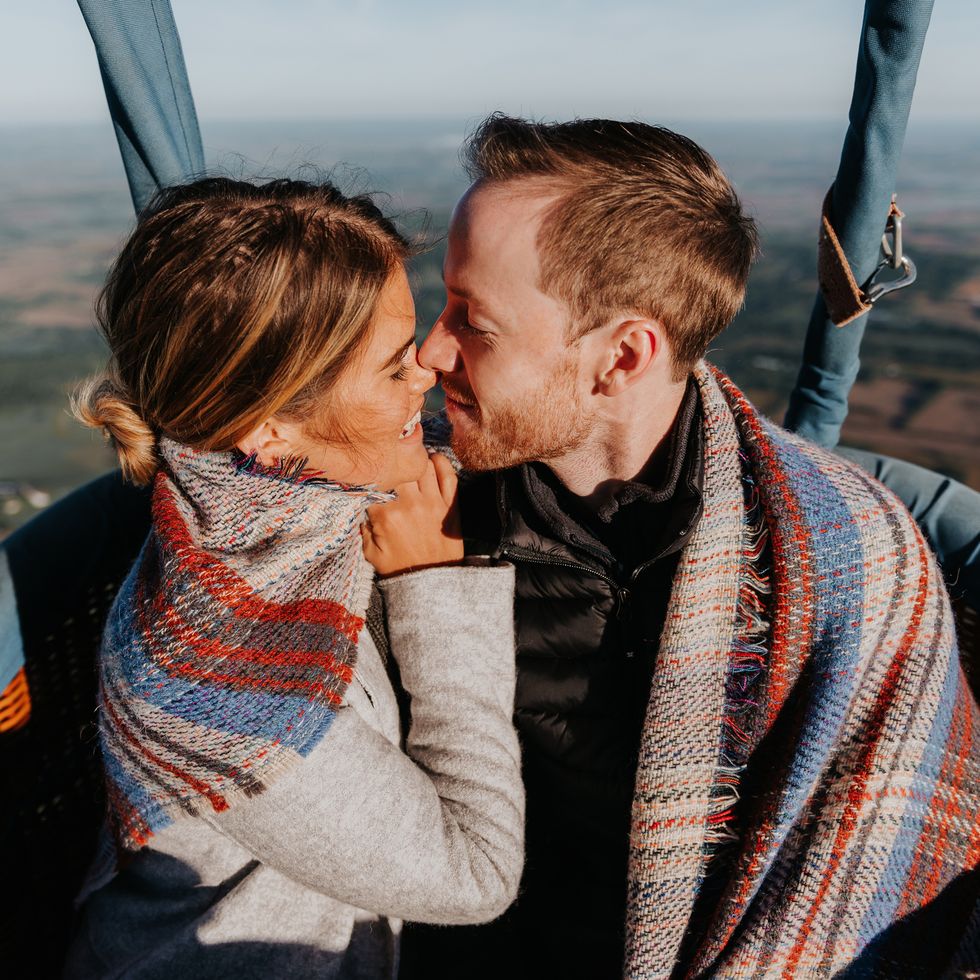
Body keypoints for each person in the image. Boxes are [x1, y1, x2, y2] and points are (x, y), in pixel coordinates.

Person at [400, 115, 980, 978]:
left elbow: (868, 869)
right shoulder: (407, 508)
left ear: (622, 356)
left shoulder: (852, 557)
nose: (428, 350)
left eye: (473, 320)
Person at [61, 176, 524, 979]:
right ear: (268, 428)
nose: (423, 373)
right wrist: (431, 586)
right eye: (391, 369)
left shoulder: (275, 511)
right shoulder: (219, 683)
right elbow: (473, 874)